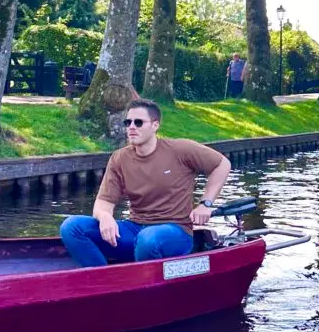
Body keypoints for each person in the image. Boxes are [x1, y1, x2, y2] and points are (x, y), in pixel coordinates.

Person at [60, 98, 232, 267]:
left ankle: (146, 283)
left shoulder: (180, 150)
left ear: (155, 125)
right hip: (134, 229)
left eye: (139, 122)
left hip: (176, 231)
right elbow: (104, 201)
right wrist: (105, 217)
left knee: (148, 239)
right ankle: (101, 280)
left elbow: (222, 164)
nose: (131, 127)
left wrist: (206, 203)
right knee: (71, 227)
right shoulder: (120, 158)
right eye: (128, 122)